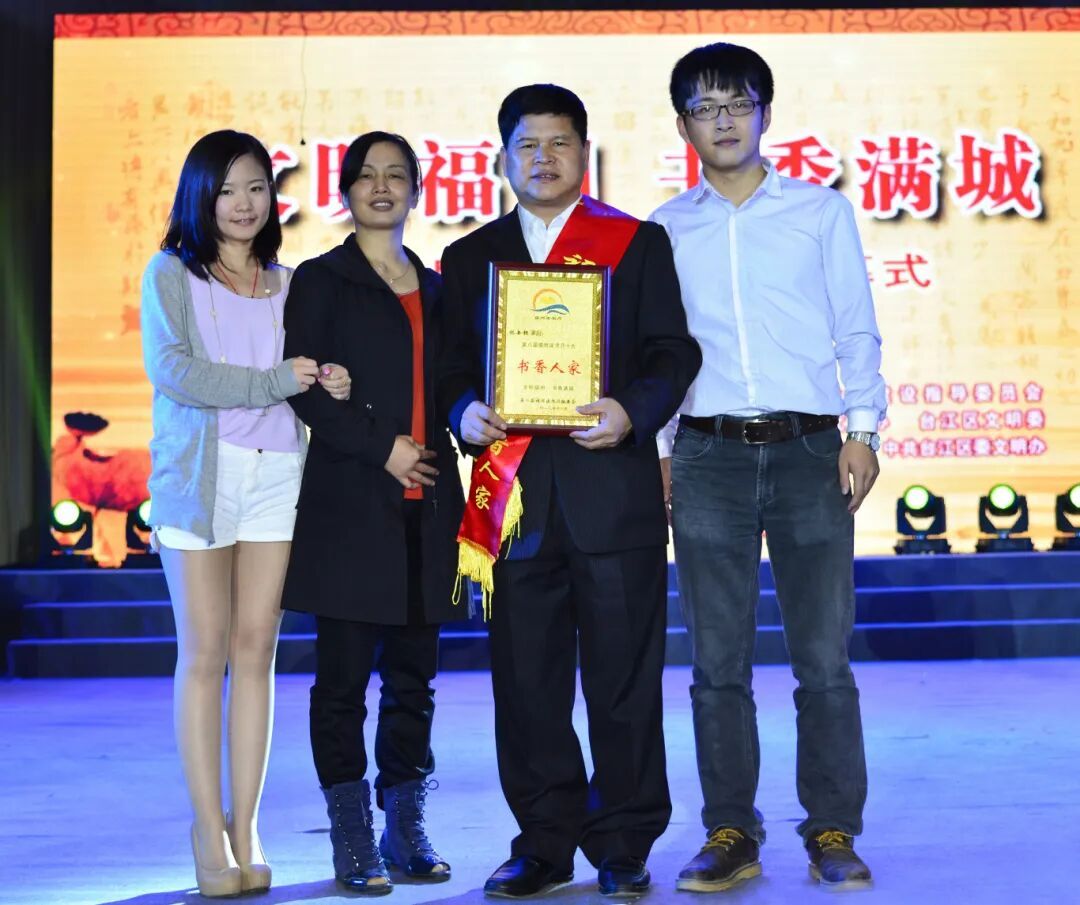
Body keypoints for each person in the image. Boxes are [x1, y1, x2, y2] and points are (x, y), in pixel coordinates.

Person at [438, 85, 701, 899]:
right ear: (503, 158)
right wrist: (462, 409)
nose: (543, 158)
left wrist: (633, 411)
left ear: (584, 154)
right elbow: (448, 368)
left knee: (624, 684)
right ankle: (544, 842)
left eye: (559, 143)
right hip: (514, 505)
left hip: (612, 498)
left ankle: (623, 842)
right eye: (528, 144)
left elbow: (674, 354)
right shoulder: (470, 256)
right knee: (528, 687)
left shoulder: (636, 243)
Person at [651, 42, 887, 892]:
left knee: (823, 658)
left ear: (765, 114)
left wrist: (863, 427)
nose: (723, 120)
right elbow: (658, 351)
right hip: (706, 455)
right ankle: (730, 829)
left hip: (810, 449)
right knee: (717, 664)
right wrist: (662, 448)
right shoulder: (664, 229)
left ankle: (832, 827)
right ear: (683, 124)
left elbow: (854, 324)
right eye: (705, 107)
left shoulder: (819, 211)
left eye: (738, 103)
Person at [141, 130, 351, 897]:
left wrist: (328, 377)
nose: (243, 203)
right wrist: (273, 381)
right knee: (204, 653)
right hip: (201, 478)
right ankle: (207, 828)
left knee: (257, 650)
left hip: (277, 474)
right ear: (200, 195)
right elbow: (175, 371)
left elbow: (302, 375)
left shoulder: (289, 283)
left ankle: (246, 825)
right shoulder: (171, 273)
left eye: (257, 186)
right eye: (227, 189)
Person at [280, 131, 465, 895]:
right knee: (342, 685)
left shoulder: (440, 286)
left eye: (396, 175)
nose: (382, 187)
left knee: (414, 681)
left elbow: (456, 383)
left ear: (417, 189)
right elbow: (303, 386)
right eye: (366, 176)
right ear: (346, 191)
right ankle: (352, 835)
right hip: (352, 508)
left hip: (430, 509)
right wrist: (380, 445)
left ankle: (404, 825)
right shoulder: (322, 280)